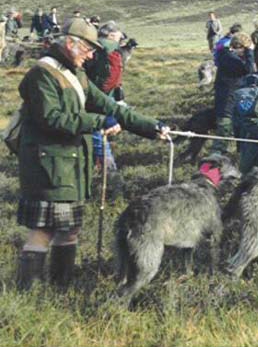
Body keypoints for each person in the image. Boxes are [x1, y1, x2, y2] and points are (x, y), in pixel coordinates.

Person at [14, 17, 169, 290]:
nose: (91, 56)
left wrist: (151, 127)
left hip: (70, 166)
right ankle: (30, 292)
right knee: (43, 230)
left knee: (69, 228)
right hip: (48, 166)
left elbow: (110, 106)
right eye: (88, 49)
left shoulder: (77, 74)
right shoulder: (42, 75)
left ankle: (61, 287)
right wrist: (98, 122)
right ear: (71, 44)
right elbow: (53, 119)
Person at [83, 21, 129, 177]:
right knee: (99, 132)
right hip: (100, 98)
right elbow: (113, 77)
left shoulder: (92, 46)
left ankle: (92, 168)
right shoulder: (112, 50)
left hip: (85, 94)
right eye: (118, 35)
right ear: (110, 35)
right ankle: (109, 174)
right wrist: (104, 96)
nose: (119, 38)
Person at [211, 32, 255, 154]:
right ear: (240, 47)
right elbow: (248, 70)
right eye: (244, 49)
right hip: (227, 107)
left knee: (225, 139)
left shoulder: (226, 57)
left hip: (228, 104)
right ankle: (210, 168)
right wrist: (249, 52)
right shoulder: (230, 59)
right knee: (222, 141)